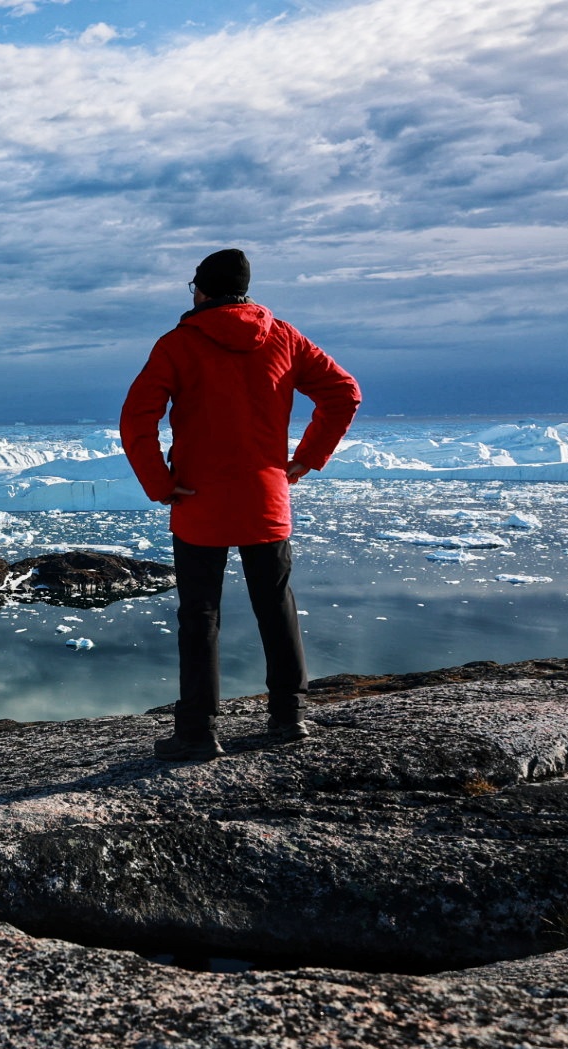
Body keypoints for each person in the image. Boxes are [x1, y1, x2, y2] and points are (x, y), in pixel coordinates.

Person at [120, 248, 361, 761]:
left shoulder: (178, 344)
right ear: (245, 290)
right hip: (264, 498)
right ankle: (289, 716)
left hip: (198, 500)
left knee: (199, 614)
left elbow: (136, 419)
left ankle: (198, 732)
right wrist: (306, 459)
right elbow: (344, 392)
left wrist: (159, 483)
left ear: (202, 290)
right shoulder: (284, 336)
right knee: (275, 604)